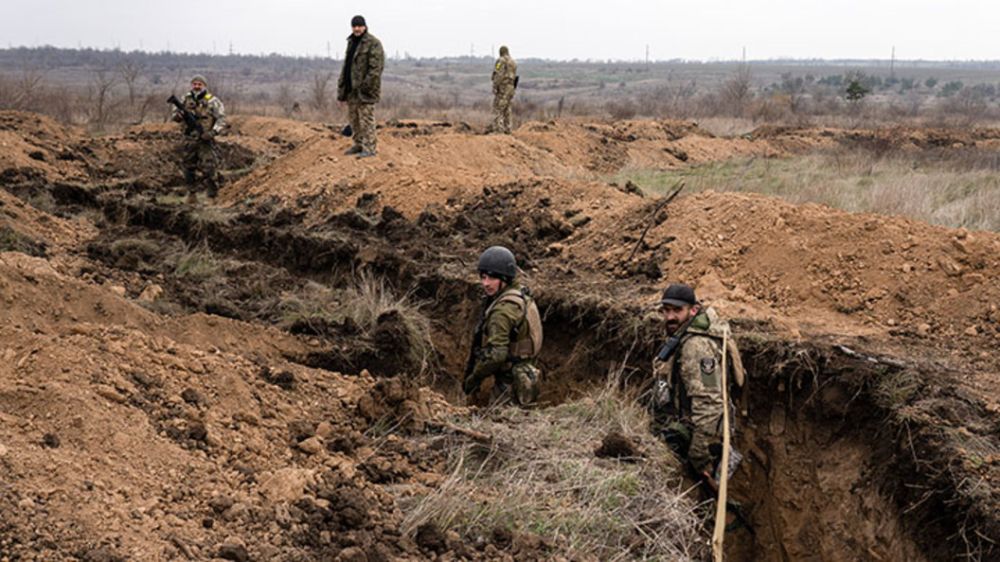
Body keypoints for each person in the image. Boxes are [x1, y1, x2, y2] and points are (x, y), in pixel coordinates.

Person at [648, 283, 745, 483]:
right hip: (692, 430)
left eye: (677, 310)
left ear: (693, 310)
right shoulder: (684, 336)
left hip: (699, 438)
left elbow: (709, 403)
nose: (670, 317)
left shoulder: (696, 347)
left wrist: (699, 455)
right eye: (666, 310)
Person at [463, 246, 543, 406]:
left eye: (492, 278)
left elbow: (497, 355)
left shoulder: (502, 311)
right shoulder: (521, 293)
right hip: (527, 372)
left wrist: (474, 378)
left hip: (511, 382)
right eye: (483, 277)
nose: (485, 283)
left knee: (499, 423)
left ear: (505, 279)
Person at [337, 15, 384, 158]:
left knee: (366, 120)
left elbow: (375, 69)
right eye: (354, 26)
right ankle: (358, 144)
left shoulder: (373, 43)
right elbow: (347, 66)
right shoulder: (351, 42)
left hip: (365, 91)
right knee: (354, 120)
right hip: (352, 91)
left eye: (359, 26)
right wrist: (342, 90)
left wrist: (365, 87)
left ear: (364, 26)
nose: (357, 29)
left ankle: (370, 148)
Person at [172, 75, 226, 200]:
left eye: (199, 84)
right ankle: (192, 194)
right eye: (194, 84)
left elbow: (222, 119)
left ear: (204, 86)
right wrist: (179, 116)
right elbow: (174, 116)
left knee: (209, 167)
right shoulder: (184, 99)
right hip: (189, 139)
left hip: (205, 139)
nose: (197, 86)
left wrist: (213, 132)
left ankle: (212, 195)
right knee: (188, 166)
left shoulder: (213, 101)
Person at [487, 46, 518, 134]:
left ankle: (498, 130)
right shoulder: (513, 62)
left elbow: (498, 74)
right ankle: (508, 129)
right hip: (511, 87)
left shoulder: (500, 61)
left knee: (498, 107)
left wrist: (495, 86)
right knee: (507, 108)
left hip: (503, 87)